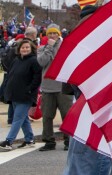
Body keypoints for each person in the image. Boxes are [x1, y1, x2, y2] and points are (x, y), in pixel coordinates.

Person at [61, 0, 112, 175]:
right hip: (96, 104)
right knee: (90, 162)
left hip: (111, 106)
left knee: (109, 161)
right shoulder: (95, 27)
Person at [0, 37, 41, 150]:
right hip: (14, 94)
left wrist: (29, 89)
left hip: (26, 95)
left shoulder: (34, 60)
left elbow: (37, 78)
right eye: (23, 47)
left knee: (17, 119)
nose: (25, 49)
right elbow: (10, 75)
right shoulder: (16, 60)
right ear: (19, 49)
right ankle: (29, 140)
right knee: (23, 119)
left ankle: (9, 141)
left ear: (31, 48)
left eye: (27, 47)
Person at [36, 23, 72, 151]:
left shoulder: (65, 46)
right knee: (47, 116)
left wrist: (57, 46)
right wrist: (49, 47)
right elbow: (42, 62)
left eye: (55, 33)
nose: (52, 35)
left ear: (59, 34)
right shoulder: (42, 49)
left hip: (62, 86)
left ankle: (69, 140)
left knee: (67, 115)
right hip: (47, 87)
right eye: (50, 33)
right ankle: (49, 141)